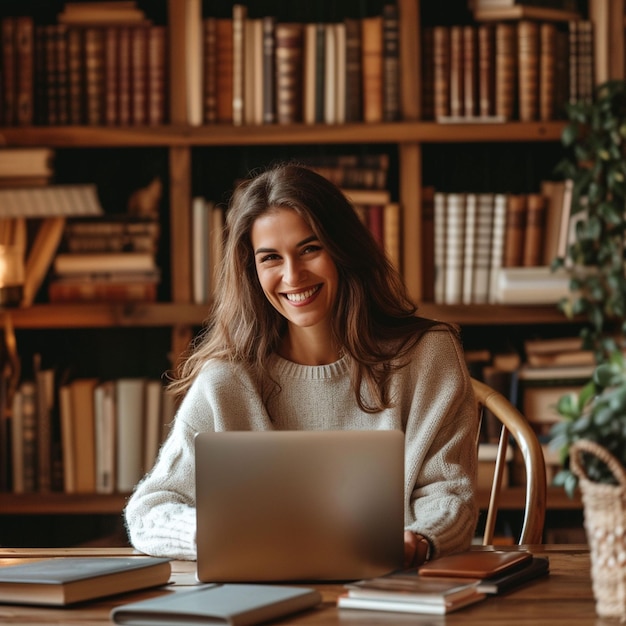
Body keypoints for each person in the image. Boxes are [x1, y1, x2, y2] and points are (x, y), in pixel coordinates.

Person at [124, 163, 479, 566]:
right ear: (251, 271)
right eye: (270, 258)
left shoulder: (428, 355)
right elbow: (150, 511)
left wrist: (419, 540)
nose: (293, 276)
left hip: (392, 587)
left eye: (310, 249)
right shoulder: (227, 379)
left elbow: (450, 495)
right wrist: (232, 535)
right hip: (261, 594)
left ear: (344, 249)